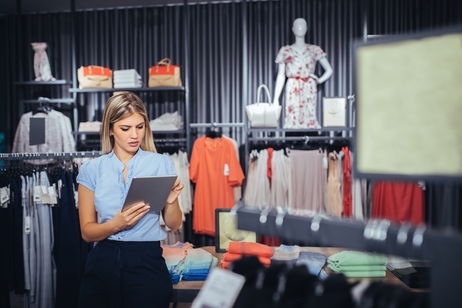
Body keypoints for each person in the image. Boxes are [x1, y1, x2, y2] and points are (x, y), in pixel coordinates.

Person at [77, 91, 183, 308]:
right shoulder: (91, 169)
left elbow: (174, 224)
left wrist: (171, 201)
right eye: (125, 128)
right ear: (111, 129)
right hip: (103, 262)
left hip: (147, 261)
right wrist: (116, 224)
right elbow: (87, 232)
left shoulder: (161, 163)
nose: (134, 135)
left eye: (140, 127)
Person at [273, 18, 333, 128]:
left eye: (302, 25)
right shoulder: (285, 51)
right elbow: (281, 75)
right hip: (292, 87)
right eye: (297, 25)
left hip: (308, 86)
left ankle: (310, 141)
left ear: (306, 29)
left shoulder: (314, 49)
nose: (300, 28)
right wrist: (275, 98)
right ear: (293, 29)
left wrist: (319, 80)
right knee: (292, 118)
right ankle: (292, 141)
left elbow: (329, 70)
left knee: (309, 116)